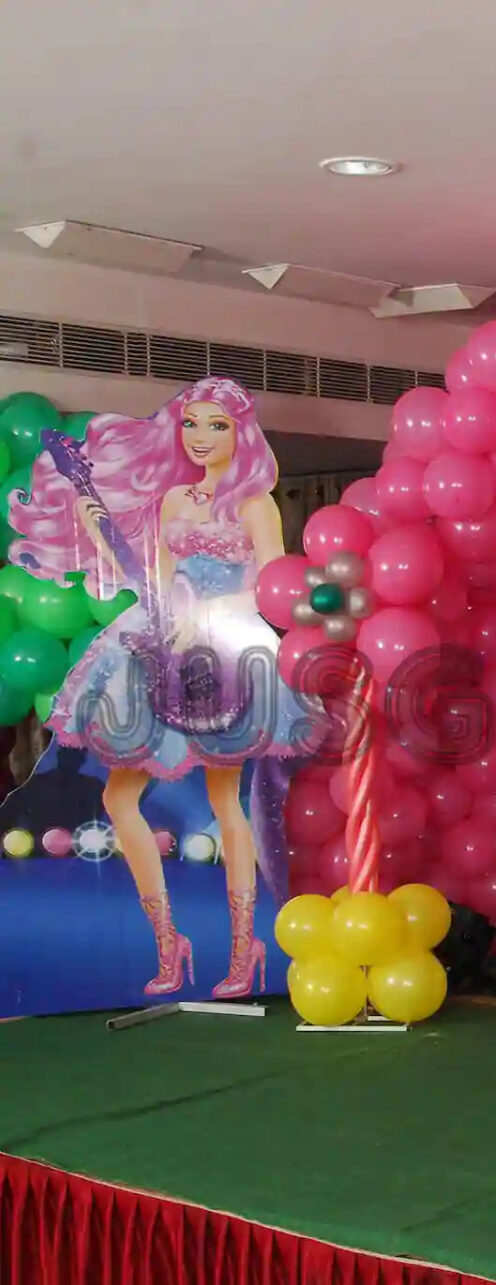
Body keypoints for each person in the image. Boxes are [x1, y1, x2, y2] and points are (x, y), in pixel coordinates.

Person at [10, 378, 322, 998]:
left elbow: (270, 587)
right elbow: (152, 579)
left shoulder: (255, 504)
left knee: (227, 799)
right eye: (191, 424)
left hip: (225, 649)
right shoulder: (175, 497)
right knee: (119, 798)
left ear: (240, 433)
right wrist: (99, 534)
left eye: (216, 425)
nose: (201, 437)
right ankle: (167, 942)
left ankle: (244, 948)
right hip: (161, 644)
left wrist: (204, 613)